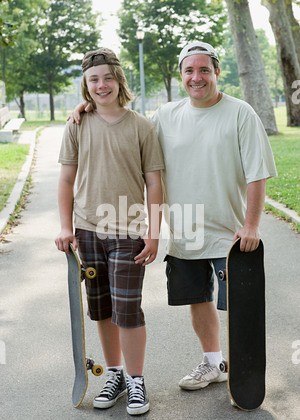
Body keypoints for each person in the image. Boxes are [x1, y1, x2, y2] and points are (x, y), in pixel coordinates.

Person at [69, 41, 277, 397]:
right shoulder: (165, 116)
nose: (196, 78)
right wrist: (89, 103)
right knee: (199, 301)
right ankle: (213, 363)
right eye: (189, 71)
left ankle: (243, 369)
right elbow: (122, 124)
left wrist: (252, 224)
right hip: (185, 232)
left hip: (230, 233)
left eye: (204, 70)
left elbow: (258, 174)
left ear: (216, 72)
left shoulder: (241, 113)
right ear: (181, 75)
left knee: (239, 305)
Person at [55, 48, 164, 415]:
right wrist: (65, 228)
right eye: (93, 79)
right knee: (101, 310)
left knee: (128, 311)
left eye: (107, 77)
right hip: (87, 231)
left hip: (129, 232)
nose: (101, 85)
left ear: (120, 80)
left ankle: (137, 380)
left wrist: (154, 232)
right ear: (86, 86)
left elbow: (154, 183)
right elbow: (66, 180)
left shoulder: (141, 126)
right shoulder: (77, 124)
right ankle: (114, 374)